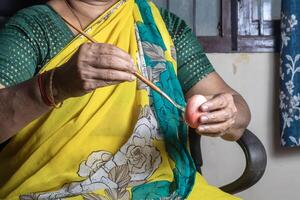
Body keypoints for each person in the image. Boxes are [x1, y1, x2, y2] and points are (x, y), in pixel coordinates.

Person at [0, 0, 251, 199]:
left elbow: (239, 113)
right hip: (56, 192)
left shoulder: (161, 27)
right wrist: (55, 85)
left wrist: (226, 115)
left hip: (168, 190)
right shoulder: (35, 28)